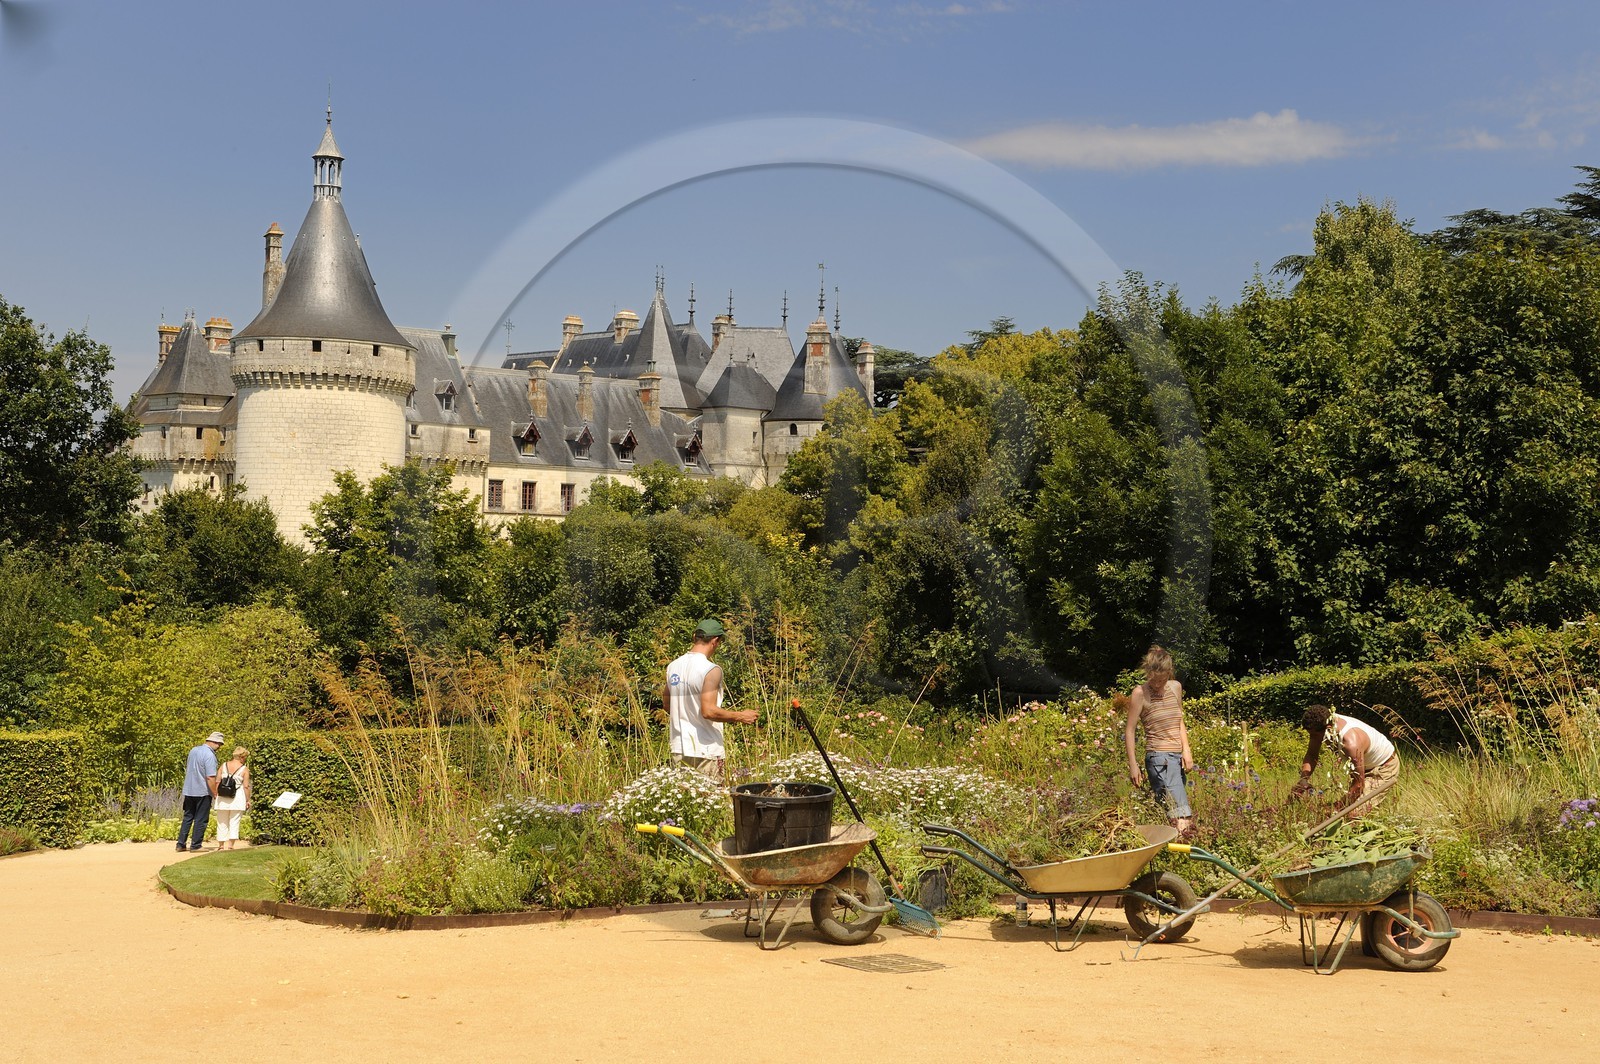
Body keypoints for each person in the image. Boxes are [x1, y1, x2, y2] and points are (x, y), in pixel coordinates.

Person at [665, 619, 757, 781]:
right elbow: (708, 711)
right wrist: (741, 716)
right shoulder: (711, 670)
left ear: (695, 637)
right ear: (715, 641)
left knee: (684, 802)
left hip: (679, 747)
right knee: (711, 802)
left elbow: (667, 705)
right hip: (705, 750)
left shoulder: (673, 666)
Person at [1124, 645, 1195, 837]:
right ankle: (1186, 854)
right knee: (1181, 816)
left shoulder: (1175, 687)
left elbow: (1179, 719)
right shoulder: (1140, 693)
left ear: (1169, 673)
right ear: (1148, 673)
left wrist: (1186, 750)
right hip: (1159, 758)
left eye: (1162, 680)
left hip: (1176, 757)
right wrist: (1133, 764)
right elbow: (1130, 730)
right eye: (1154, 680)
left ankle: (1171, 850)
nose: (1158, 684)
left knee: (1173, 812)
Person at [1291, 704, 1400, 810]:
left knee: (1352, 814)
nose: (1312, 738)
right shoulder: (1323, 723)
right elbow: (1311, 755)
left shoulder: (1350, 743)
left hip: (1383, 767)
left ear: (1328, 728)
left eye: (1314, 735)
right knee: (1344, 808)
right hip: (1363, 767)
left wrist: (1337, 808)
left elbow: (1358, 785)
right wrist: (1303, 779)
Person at [177, 730, 223, 852]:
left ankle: (180, 844)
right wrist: (214, 793)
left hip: (189, 789)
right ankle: (196, 845)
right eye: (219, 744)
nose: (219, 747)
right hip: (202, 790)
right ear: (214, 742)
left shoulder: (194, 750)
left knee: (188, 817)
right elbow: (210, 777)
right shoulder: (209, 755)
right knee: (201, 819)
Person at [213, 746, 251, 851]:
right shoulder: (244, 769)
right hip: (237, 796)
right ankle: (231, 845)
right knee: (234, 821)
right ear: (242, 757)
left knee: (221, 821)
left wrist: (216, 793)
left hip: (222, 796)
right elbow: (246, 786)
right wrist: (248, 800)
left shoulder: (224, 765)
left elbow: (217, 781)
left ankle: (221, 845)